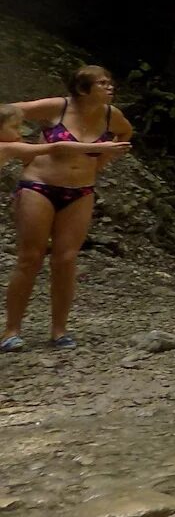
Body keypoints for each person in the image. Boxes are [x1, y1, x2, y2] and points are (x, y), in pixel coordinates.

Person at [3, 68, 135, 352]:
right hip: (38, 186)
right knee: (30, 258)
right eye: (102, 83)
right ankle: (11, 330)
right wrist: (16, 146)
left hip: (81, 191)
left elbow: (125, 134)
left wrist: (100, 162)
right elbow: (8, 111)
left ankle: (59, 330)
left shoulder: (112, 115)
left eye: (110, 82)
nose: (110, 87)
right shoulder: (58, 107)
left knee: (66, 259)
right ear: (83, 89)